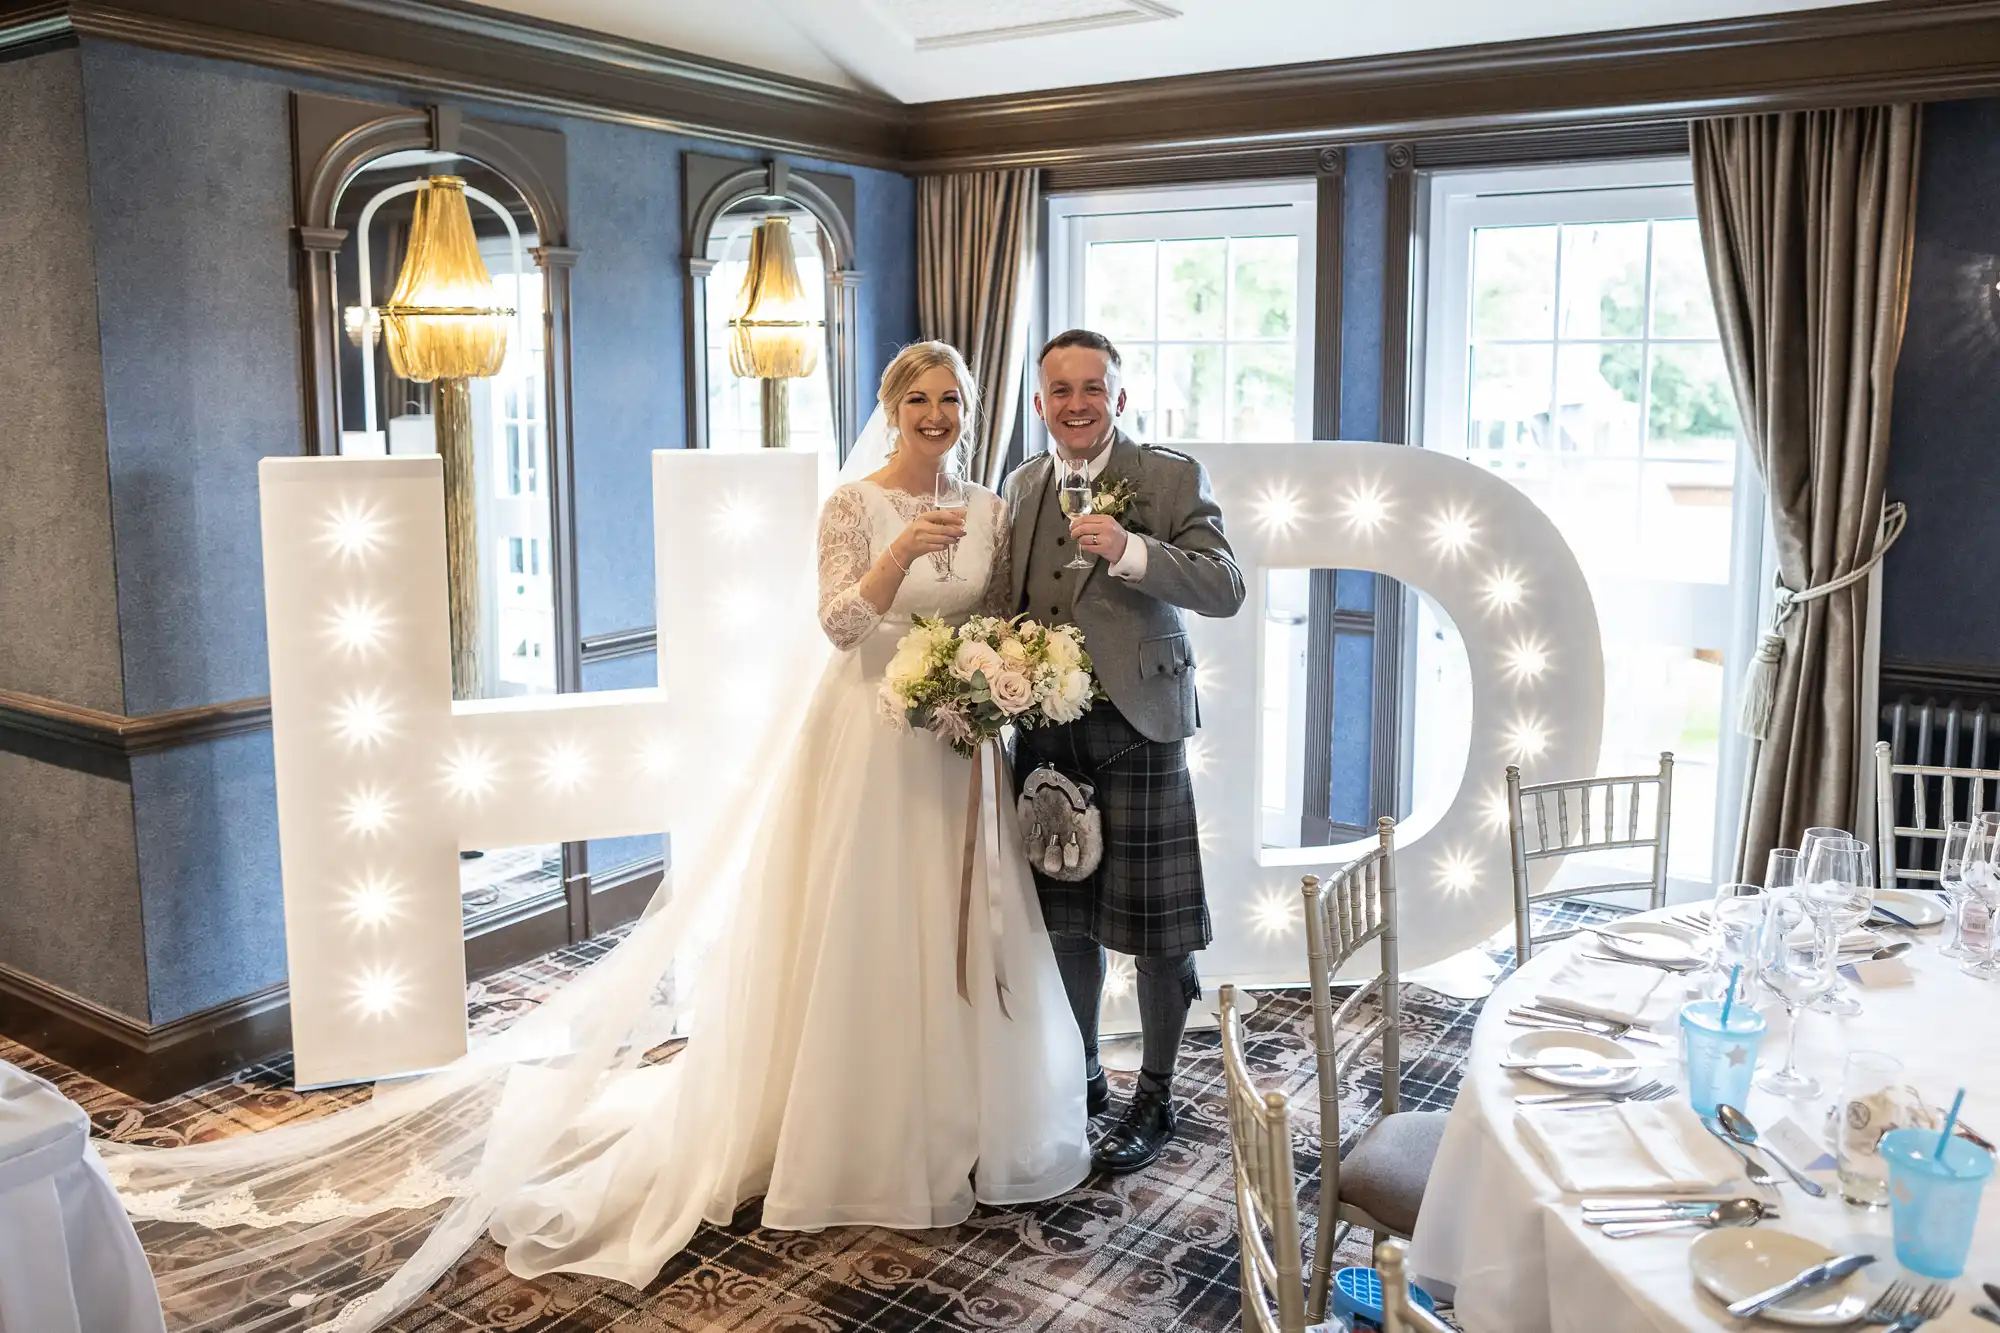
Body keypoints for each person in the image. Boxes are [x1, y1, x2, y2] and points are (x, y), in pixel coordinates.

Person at [99, 342, 1089, 1333]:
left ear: (969, 408)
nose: (934, 412)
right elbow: (835, 624)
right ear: (889, 408)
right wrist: (897, 553)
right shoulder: (853, 504)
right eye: (915, 397)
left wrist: (986, 682)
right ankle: (849, 1126)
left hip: (954, 749)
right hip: (866, 746)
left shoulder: (994, 511)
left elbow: (991, 620)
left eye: (949, 398)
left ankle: (952, 1116)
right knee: (864, 924)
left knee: (952, 926)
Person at [1006, 328, 1246, 1175]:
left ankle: (1154, 1090)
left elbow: (1225, 586)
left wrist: (1135, 551)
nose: (1077, 403)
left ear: (1119, 397)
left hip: (1140, 724)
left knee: (1155, 930)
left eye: (1093, 388)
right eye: (1061, 389)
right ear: (1040, 402)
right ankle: (1081, 1075)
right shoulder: (1021, 484)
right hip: (1044, 729)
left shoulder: (1168, 476)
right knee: (1068, 922)